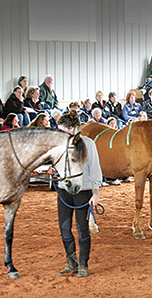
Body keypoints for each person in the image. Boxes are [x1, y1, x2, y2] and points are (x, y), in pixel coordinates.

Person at [54, 109, 103, 278]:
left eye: (62, 130)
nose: (60, 133)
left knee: (82, 230)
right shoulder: (59, 145)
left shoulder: (88, 144)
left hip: (83, 191)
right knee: (64, 228)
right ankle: (71, 261)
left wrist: (95, 192)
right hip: (64, 190)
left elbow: (95, 168)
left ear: (72, 129)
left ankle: (83, 264)